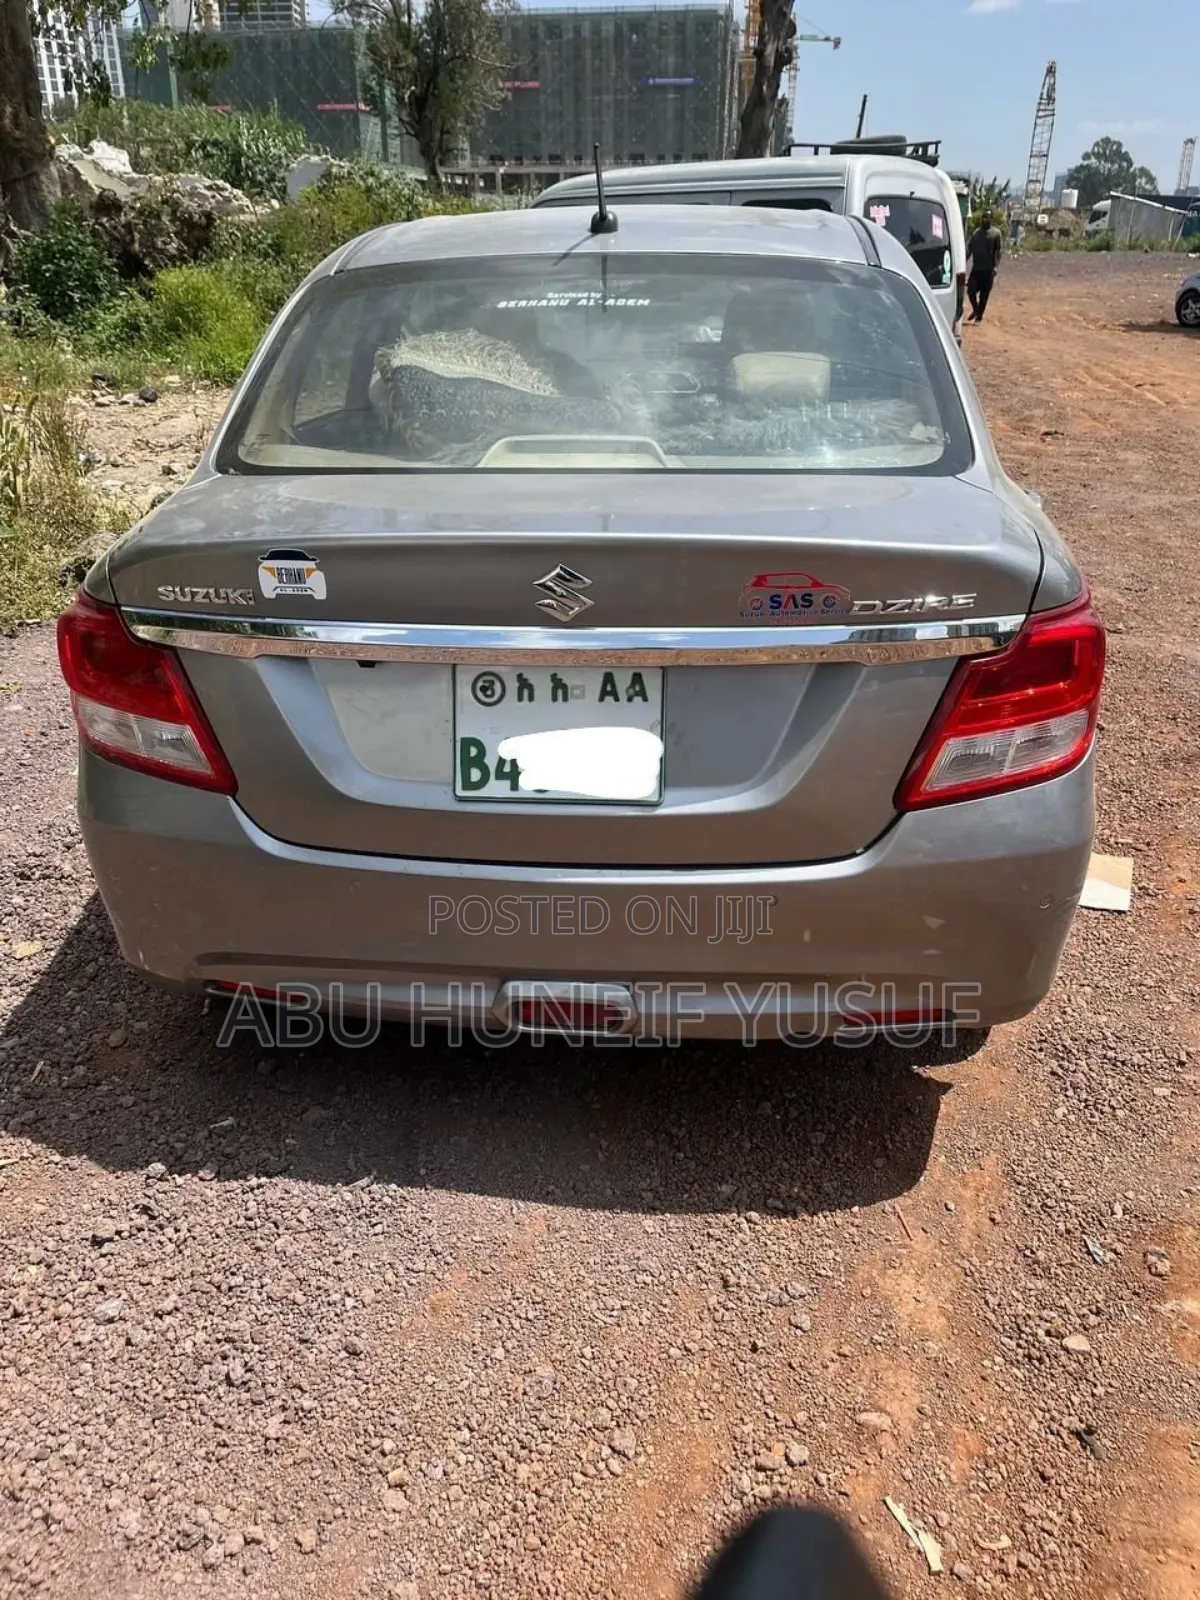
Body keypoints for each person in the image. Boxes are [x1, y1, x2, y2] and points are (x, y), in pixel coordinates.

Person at [966, 210, 1004, 323]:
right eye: (983, 217)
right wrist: (963, 262)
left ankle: (979, 317)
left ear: (991, 219)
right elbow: (969, 249)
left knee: (984, 296)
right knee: (970, 291)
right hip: (977, 269)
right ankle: (976, 309)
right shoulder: (976, 233)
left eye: (987, 217)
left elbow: (999, 251)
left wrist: (996, 267)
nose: (984, 219)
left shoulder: (996, 233)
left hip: (988, 270)